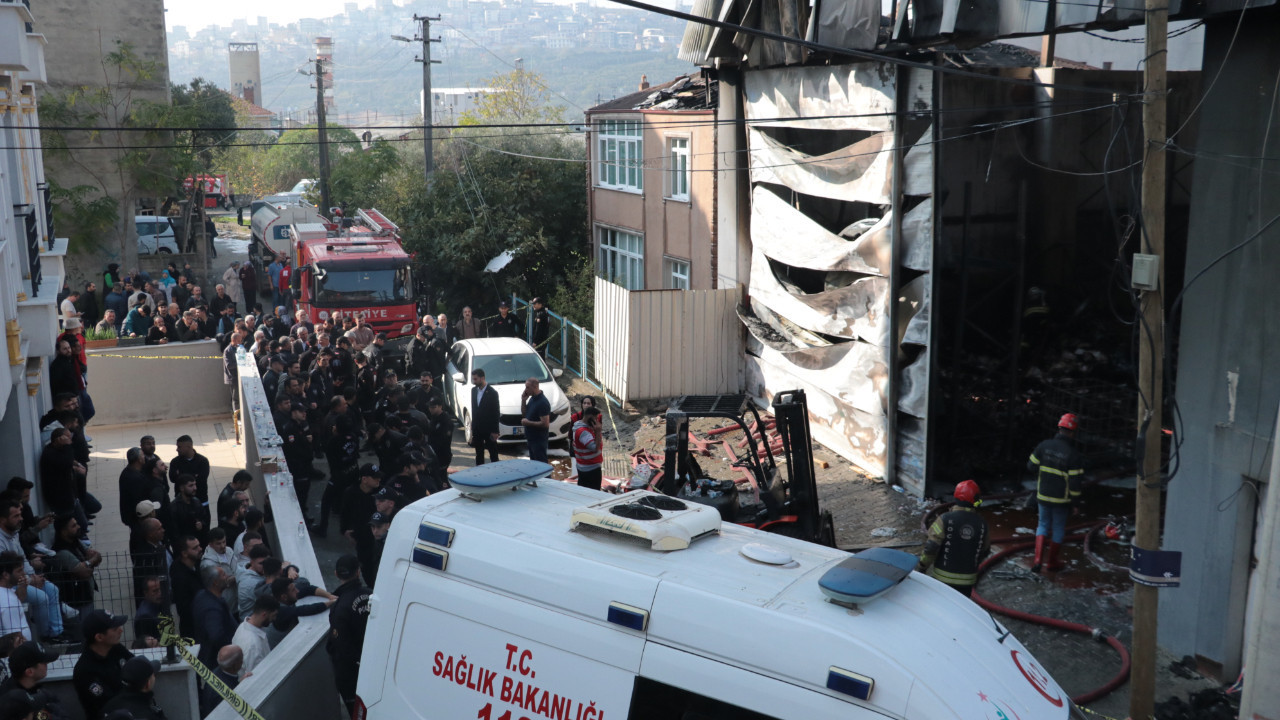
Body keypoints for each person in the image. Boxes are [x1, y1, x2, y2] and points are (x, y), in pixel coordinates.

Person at [1028, 413, 1087, 574]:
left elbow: (1031, 466)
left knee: (1042, 525)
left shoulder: (1044, 445)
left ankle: (1037, 560)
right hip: (1061, 500)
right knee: (1058, 528)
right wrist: (1076, 503)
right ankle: (1052, 562)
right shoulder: (1073, 455)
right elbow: (1075, 484)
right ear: (1073, 433)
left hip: (1043, 495)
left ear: (1059, 428)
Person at [0, 504, 66, 642]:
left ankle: (57, 633)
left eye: (20, 514)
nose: (21, 518)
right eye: (16, 516)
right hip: (9, 583)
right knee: (41, 597)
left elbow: (22, 558)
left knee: (52, 589)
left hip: (24, 577)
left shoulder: (14, 534)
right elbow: (7, 573)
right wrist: (30, 581)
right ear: (3, 520)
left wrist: (33, 576)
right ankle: (46, 636)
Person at [917, 480, 990, 597]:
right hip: (967, 582)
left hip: (942, 579)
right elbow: (985, 551)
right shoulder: (982, 524)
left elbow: (931, 547)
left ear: (956, 497)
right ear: (975, 500)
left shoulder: (944, 519)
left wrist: (922, 566)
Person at [328, 556, 371, 716]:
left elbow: (341, 645)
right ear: (358, 572)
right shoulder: (373, 595)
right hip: (375, 666)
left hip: (351, 674)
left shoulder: (340, 606)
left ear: (336, 574)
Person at [72, 609, 133, 719]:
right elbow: (110, 704)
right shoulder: (85, 671)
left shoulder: (116, 648)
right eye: (115, 629)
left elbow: (137, 667)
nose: (121, 630)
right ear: (99, 637)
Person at [46, 515, 100, 613]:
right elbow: (83, 572)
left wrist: (88, 563)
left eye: (77, 524)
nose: (78, 527)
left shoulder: (76, 541)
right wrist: (90, 561)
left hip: (86, 595)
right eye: (74, 526)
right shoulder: (61, 552)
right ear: (63, 531)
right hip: (76, 601)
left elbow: (97, 557)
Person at [0, 641, 67, 718]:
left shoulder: (32, 689)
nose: (47, 664)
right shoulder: (16, 704)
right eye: (43, 662)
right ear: (30, 672)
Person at [192, 564, 237, 671]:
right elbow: (217, 636)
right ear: (215, 582)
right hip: (217, 662)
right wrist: (231, 648)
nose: (227, 576)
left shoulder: (202, 595)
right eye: (223, 574)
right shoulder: (211, 609)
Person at [101, 656, 167, 719]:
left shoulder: (109, 706)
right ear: (148, 683)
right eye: (153, 675)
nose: (154, 677)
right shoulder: (148, 715)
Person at [231, 595, 279, 678]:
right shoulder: (253, 646)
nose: (274, 619)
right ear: (264, 614)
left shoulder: (243, 625)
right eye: (273, 615)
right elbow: (256, 677)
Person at [169, 436, 212, 523]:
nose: (177, 449)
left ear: (189, 447)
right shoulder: (175, 462)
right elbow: (173, 479)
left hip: (201, 500)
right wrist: (193, 475)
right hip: (181, 503)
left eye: (179, 447)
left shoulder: (202, 461)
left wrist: (181, 475)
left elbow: (201, 480)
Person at [169, 535, 204, 638]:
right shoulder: (180, 577)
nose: (200, 549)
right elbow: (184, 609)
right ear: (184, 553)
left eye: (199, 546)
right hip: (192, 629)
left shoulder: (195, 562)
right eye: (195, 548)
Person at [199, 644, 244, 717]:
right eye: (241, 659)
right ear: (235, 665)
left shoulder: (216, 673)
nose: (243, 661)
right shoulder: (225, 693)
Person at [470, 368, 500, 465]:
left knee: (493, 453)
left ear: (482, 378)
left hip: (489, 429)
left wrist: (495, 431)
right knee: (479, 453)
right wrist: (473, 427)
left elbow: (496, 412)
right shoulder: (474, 391)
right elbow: (474, 409)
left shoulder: (492, 393)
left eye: (475, 379)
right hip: (477, 428)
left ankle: (496, 472)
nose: (473, 381)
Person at [572, 407, 604, 491]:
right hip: (590, 468)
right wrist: (598, 432)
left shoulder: (583, 428)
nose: (597, 421)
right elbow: (595, 448)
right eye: (596, 418)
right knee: (593, 492)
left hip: (586, 467)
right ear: (590, 417)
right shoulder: (583, 432)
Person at [520, 378, 551, 462]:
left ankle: (546, 476)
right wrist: (523, 401)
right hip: (531, 438)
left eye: (527, 387)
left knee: (541, 464)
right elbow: (524, 414)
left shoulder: (542, 402)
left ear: (535, 387)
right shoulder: (532, 398)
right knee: (534, 464)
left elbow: (545, 424)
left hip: (539, 440)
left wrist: (528, 423)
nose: (525, 390)